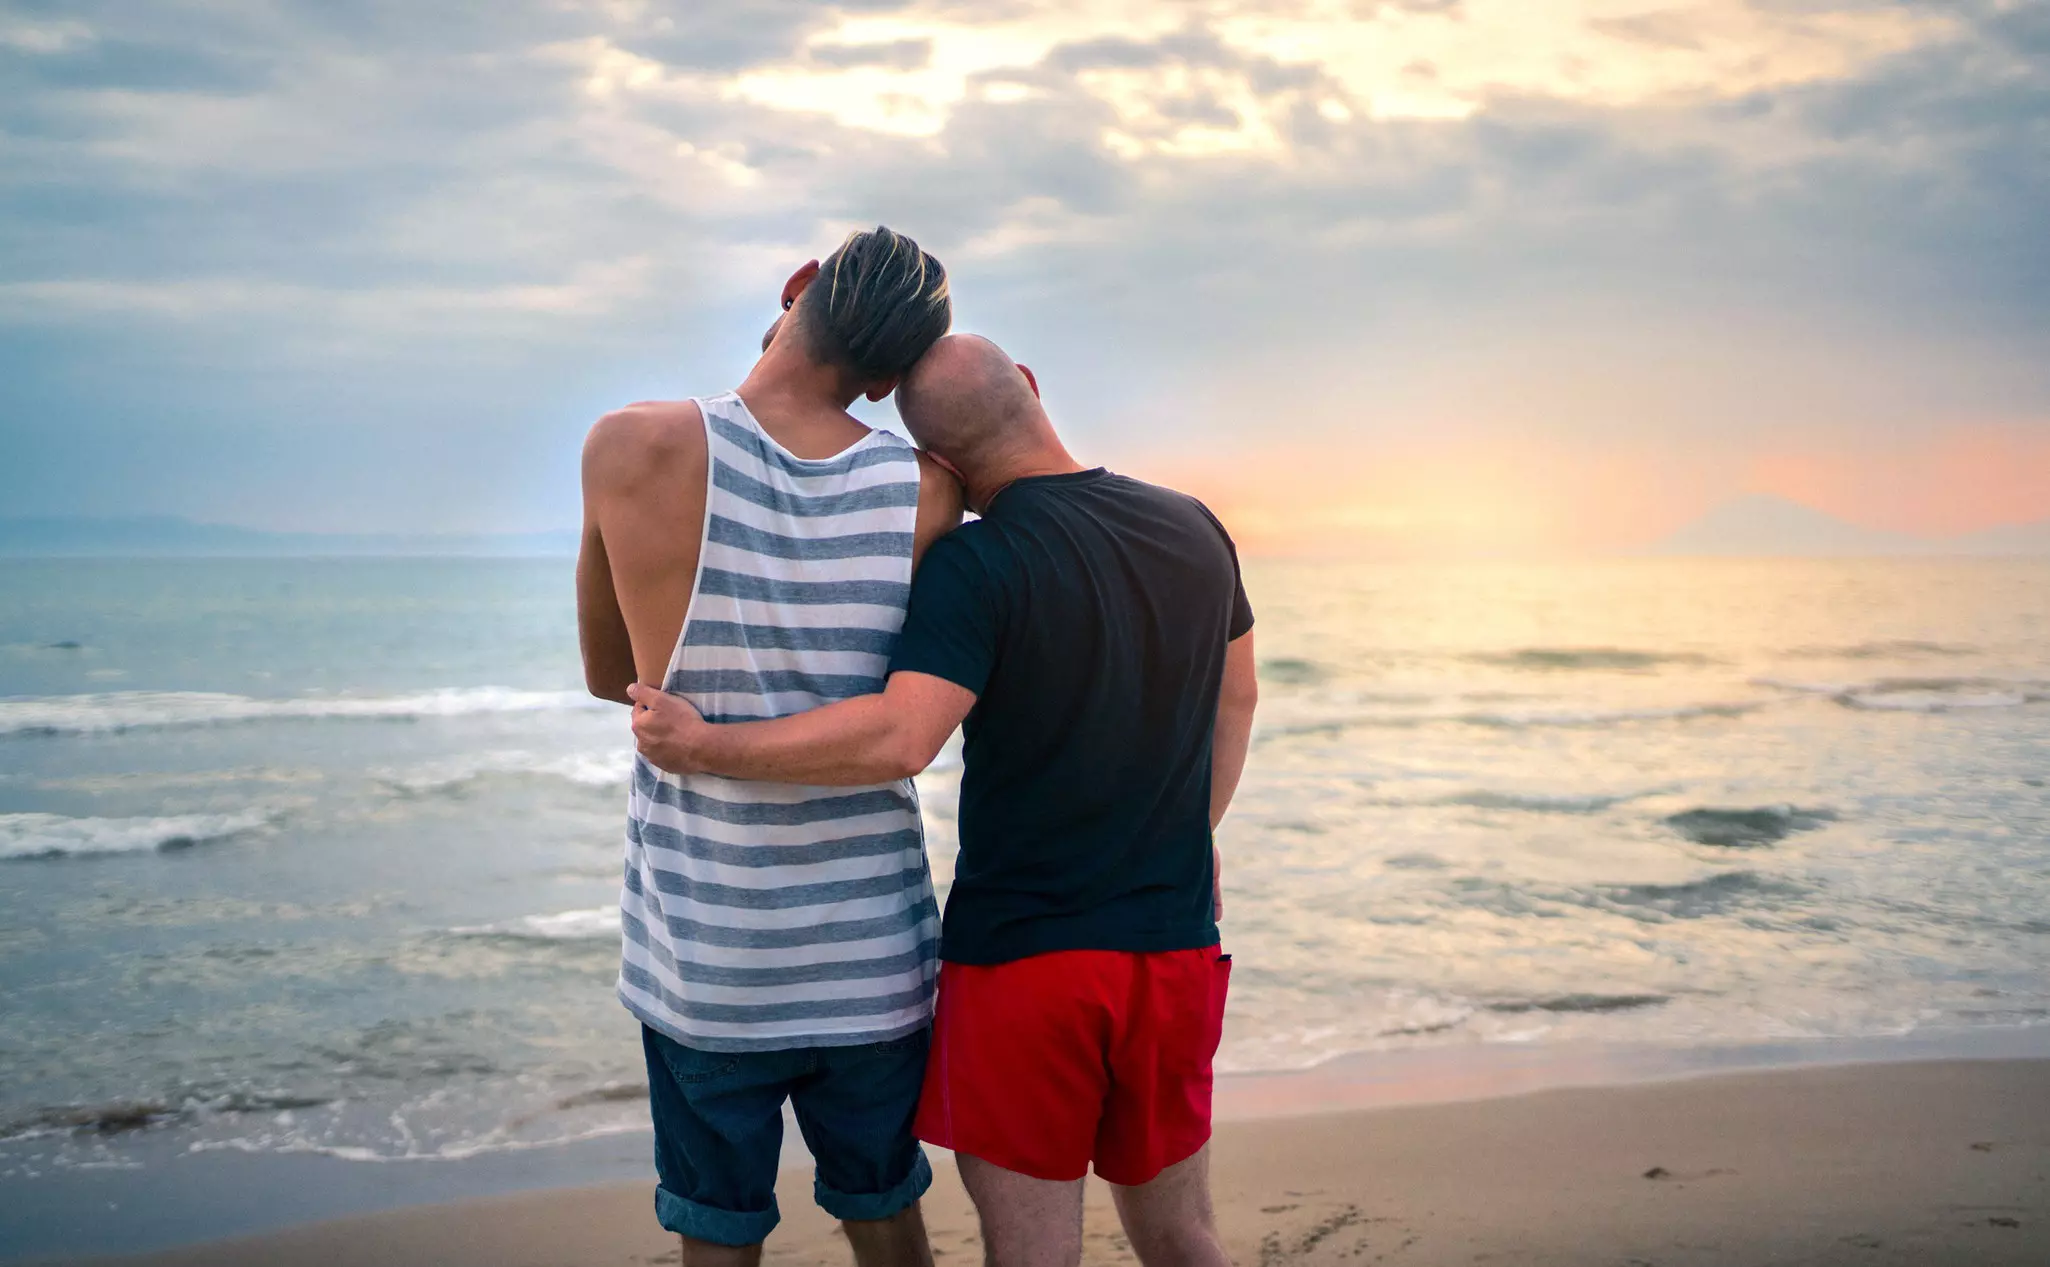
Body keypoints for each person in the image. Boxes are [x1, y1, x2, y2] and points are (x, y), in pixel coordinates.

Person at [628, 333, 1261, 1267]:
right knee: (1183, 1234)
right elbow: (1237, 697)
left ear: (944, 469)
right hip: (1174, 946)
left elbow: (900, 736)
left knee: (1035, 1253)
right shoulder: (1194, 525)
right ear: (1031, 386)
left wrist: (704, 745)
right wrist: (1183, 834)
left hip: (1025, 966)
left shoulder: (977, 561)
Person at [577, 226, 963, 1267]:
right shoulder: (927, 487)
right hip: (869, 952)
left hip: (709, 951)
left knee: (718, 1227)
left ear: (798, 292)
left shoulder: (630, 443)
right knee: (886, 1212)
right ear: (884, 380)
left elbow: (609, 672)